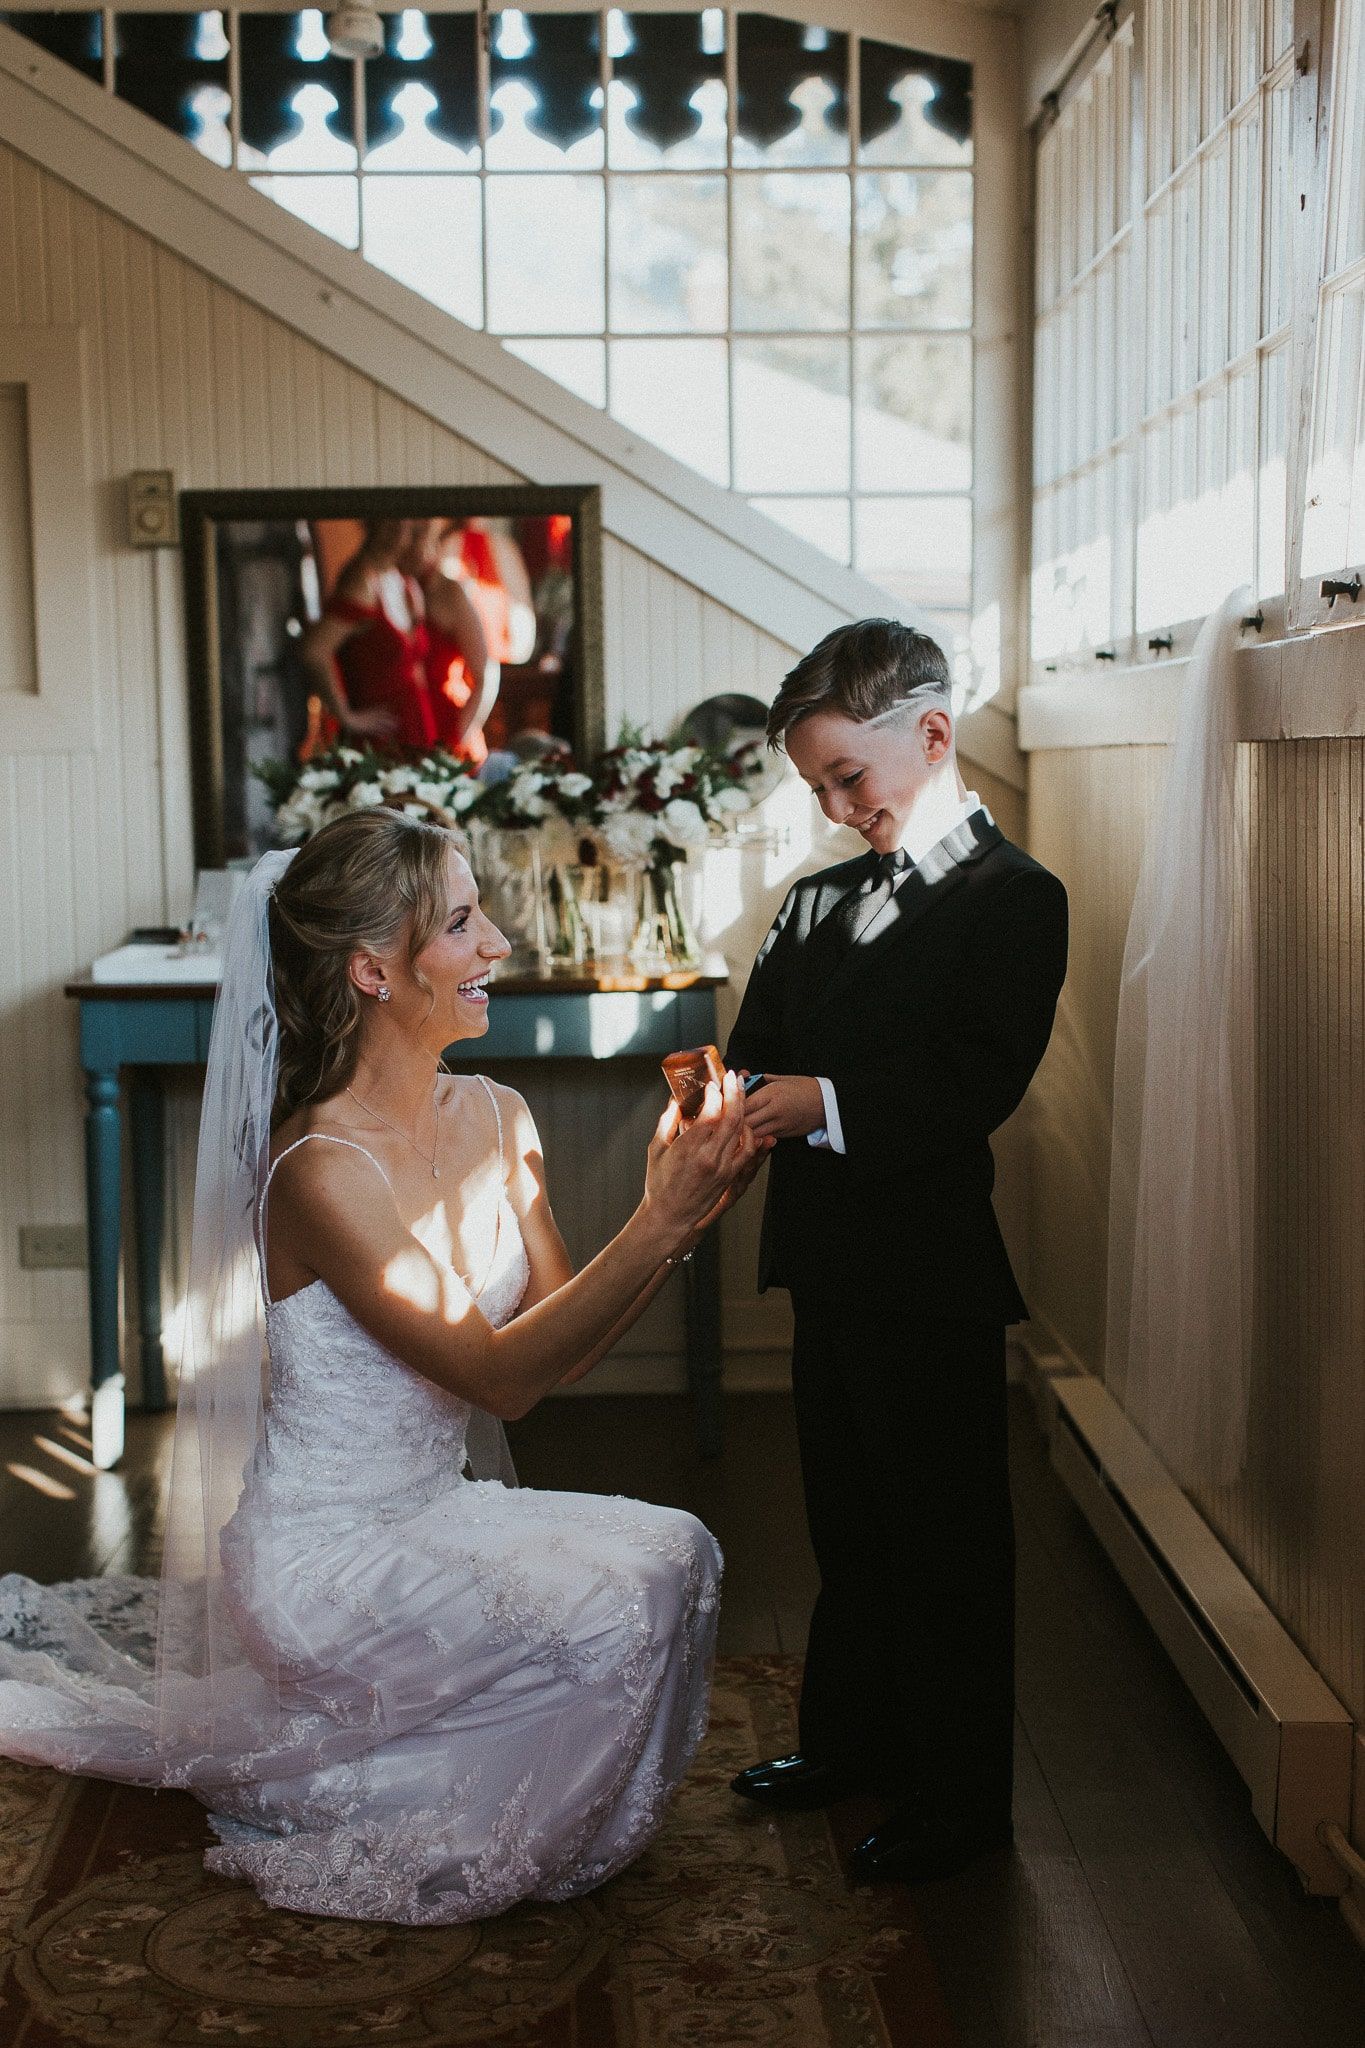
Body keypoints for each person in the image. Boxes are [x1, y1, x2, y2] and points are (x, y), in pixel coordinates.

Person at [0, 809, 766, 1924]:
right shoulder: (320, 1169)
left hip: (434, 1508)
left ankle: (509, 1788)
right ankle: (418, 1810)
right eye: (460, 923)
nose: (499, 943)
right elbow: (502, 1380)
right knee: (609, 1614)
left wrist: (676, 1212)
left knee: (679, 1555)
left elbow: (559, 1342)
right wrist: (662, 1217)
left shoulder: (501, 1117)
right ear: (371, 969)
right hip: (323, 1557)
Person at [724, 619, 1068, 1885]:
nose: (834, 806)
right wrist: (730, 1095)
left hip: (928, 1271)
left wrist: (821, 1103)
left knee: (947, 1539)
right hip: (826, 1256)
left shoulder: (1016, 900)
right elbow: (760, 1040)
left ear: (929, 733)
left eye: (847, 779)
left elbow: (972, 1080)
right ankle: (849, 1739)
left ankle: (961, 1795)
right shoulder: (814, 898)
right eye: (816, 788)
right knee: (849, 1519)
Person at [298, 519, 437, 749]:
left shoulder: (404, 581)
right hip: (380, 744)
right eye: (390, 521)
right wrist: (346, 716)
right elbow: (314, 650)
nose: (400, 529)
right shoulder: (361, 582)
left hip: (417, 733)